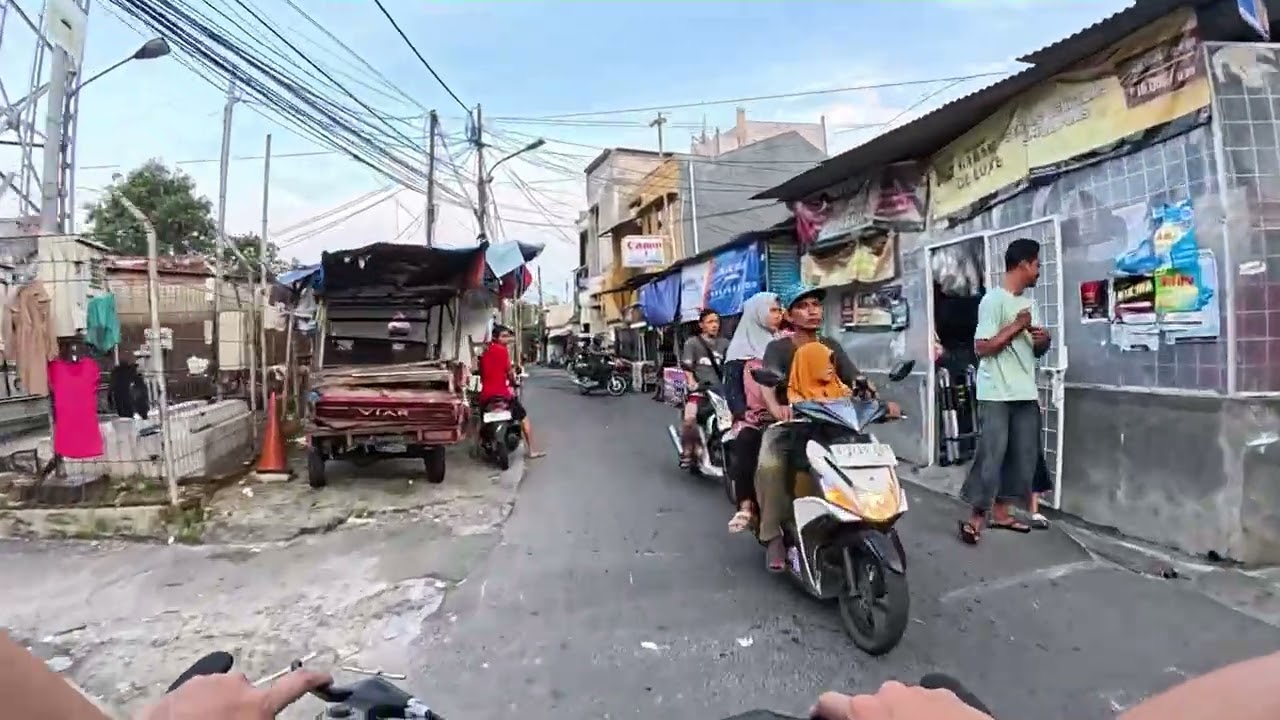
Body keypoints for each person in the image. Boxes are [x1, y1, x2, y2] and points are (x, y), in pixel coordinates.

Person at [753, 287, 871, 571]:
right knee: (770, 464)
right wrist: (776, 410)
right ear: (790, 315)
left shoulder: (831, 346)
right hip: (792, 424)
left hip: (833, 422)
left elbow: (853, 377)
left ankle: (868, 516)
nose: (812, 310)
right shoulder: (779, 348)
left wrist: (869, 391)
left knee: (868, 453)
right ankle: (773, 536)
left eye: (816, 305)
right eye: (804, 306)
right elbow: (767, 384)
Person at [958, 238, 1051, 544]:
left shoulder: (1030, 304)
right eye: (1036, 264)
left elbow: (1035, 351)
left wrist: (1042, 339)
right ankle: (975, 518)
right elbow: (981, 347)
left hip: (1024, 392)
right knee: (991, 455)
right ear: (1023, 264)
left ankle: (1002, 514)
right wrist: (1017, 326)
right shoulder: (993, 301)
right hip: (996, 392)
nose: (1039, 271)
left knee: (1021, 458)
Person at [723, 292, 783, 533]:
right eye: (773, 311)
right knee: (747, 442)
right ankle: (746, 506)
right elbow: (732, 390)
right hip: (753, 418)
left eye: (780, 311)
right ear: (757, 313)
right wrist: (741, 413)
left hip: (785, 415)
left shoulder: (781, 344)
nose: (779, 316)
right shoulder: (738, 352)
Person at [478, 325, 545, 460]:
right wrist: (514, 381)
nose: (507, 338)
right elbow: (509, 373)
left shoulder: (485, 352)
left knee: (481, 419)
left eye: (507, 336)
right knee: (524, 418)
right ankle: (531, 450)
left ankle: (482, 444)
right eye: (504, 336)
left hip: (485, 396)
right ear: (496, 337)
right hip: (503, 395)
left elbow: (481, 372)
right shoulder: (502, 351)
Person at [678, 308, 730, 469]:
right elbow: (687, 368)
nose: (714, 325)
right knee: (689, 419)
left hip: (721, 392)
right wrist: (692, 383)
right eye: (710, 322)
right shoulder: (692, 343)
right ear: (701, 325)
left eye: (716, 322)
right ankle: (688, 450)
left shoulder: (725, 344)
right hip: (700, 391)